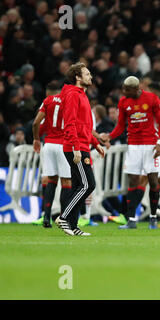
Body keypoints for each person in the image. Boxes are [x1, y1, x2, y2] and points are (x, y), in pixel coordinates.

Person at [101, 76, 160, 230]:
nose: (124, 92)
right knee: (132, 181)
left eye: (127, 90)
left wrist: (159, 142)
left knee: (153, 181)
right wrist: (110, 136)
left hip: (150, 145)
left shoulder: (151, 99)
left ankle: (153, 217)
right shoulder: (124, 102)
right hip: (133, 146)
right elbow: (120, 126)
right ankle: (131, 220)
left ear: (136, 89)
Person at [55, 62, 106, 236]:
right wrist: (76, 148)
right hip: (75, 147)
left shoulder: (81, 94)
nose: (90, 76)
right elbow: (70, 124)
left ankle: (73, 226)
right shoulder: (72, 95)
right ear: (77, 77)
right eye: (87, 74)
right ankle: (63, 217)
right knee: (88, 185)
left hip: (82, 144)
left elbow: (83, 125)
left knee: (78, 185)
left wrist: (95, 143)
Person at [32, 81, 72, 228]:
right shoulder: (69, 100)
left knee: (51, 180)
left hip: (48, 145)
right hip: (63, 144)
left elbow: (36, 123)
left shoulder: (47, 100)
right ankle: (63, 218)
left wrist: (36, 139)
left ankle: (46, 217)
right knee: (66, 182)